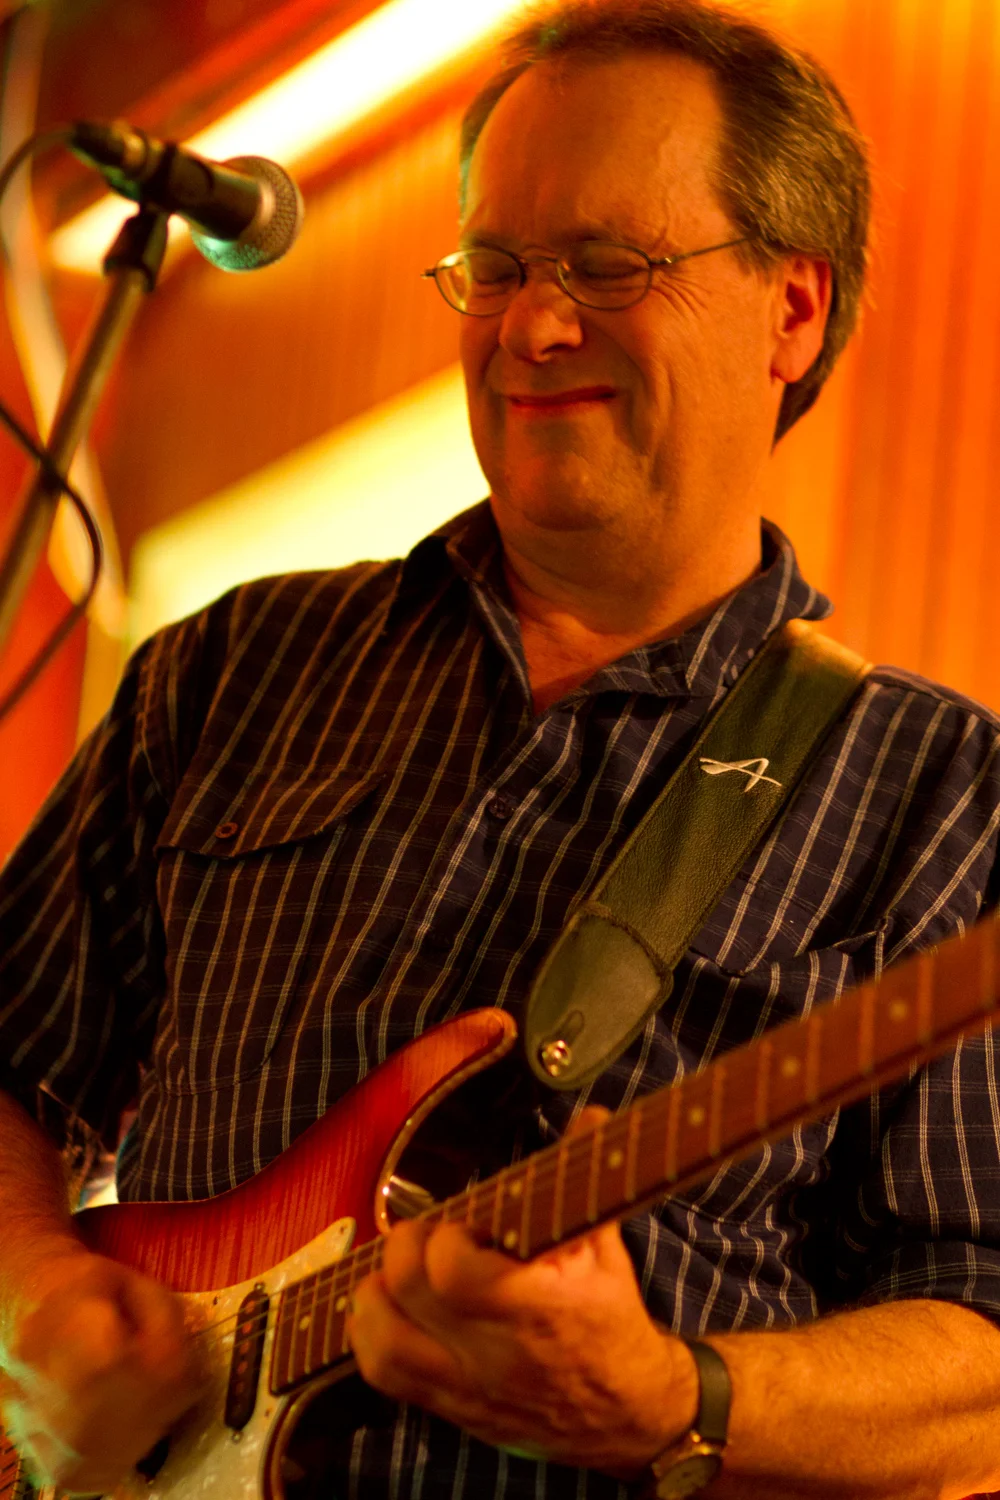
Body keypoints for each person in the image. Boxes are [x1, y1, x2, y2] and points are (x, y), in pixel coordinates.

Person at [2, 0, 1000, 1496]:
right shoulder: (231, 669)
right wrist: (31, 1308)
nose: (531, 328)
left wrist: (673, 1397)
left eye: (608, 264)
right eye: (498, 266)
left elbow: (986, 1348)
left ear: (792, 309)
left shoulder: (941, 795)